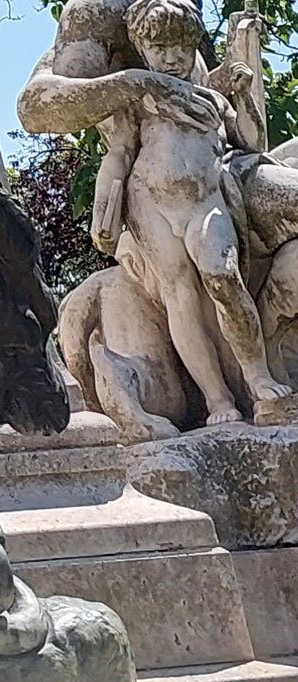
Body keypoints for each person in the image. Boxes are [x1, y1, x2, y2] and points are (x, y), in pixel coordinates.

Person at [87, 0, 290, 423]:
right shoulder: (136, 98)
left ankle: (257, 377)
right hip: (151, 204)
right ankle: (217, 399)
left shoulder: (209, 96)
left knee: (222, 276)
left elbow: (250, 143)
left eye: (181, 47)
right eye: (160, 48)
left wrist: (244, 95)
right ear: (142, 47)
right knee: (180, 298)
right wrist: (103, 210)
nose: (172, 58)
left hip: (206, 199)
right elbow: (120, 154)